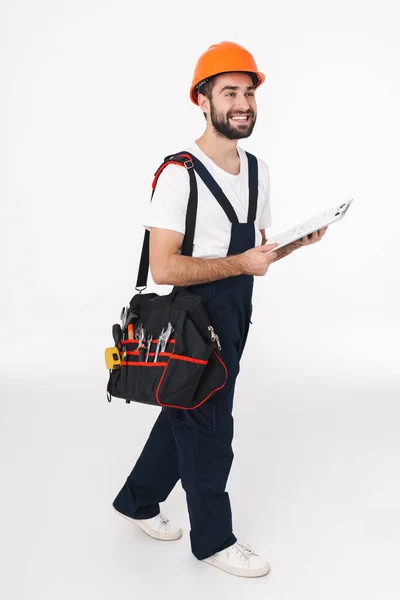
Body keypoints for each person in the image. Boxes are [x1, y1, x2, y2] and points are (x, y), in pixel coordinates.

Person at [112, 41, 328, 578]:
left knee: (185, 409)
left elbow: (253, 252)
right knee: (212, 428)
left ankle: (138, 501)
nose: (243, 103)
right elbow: (164, 268)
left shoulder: (257, 171)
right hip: (192, 318)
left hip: (235, 313)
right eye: (229, 92)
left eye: (249, 93)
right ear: (201, 100)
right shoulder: (178, 175)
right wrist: (239, 266)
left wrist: (296, 243)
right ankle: (213, 540)